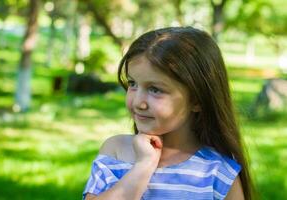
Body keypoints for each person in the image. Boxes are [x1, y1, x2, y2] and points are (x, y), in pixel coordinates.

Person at [82, 26, 253, 200]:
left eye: (155, 89)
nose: (138, 102)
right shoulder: (116, 151)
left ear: (196, 100)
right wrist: (143, 165)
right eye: (133, 84)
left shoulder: (218, 173)